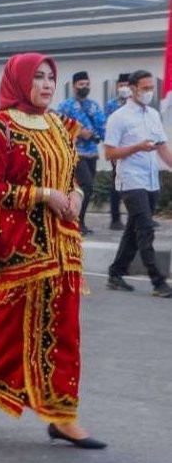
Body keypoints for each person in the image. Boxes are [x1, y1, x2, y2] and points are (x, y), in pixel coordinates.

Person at [0, 52, 107, 453]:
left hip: (63, 246)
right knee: (6, 331)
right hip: (20, 246)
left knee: (65, 331)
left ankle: (62, 416)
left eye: (50, 77)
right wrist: (43, 195)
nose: (45, 84)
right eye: (38, 77)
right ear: (19, 81)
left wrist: (76, 194)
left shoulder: (60, 125)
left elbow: (72, 172)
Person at [105, 69, 172, 298]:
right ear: (132, 88)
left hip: (151, 179)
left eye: (151, 88)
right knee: (145, 229)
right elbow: (109, 153)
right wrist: (137, 147)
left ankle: (115, 273)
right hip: (131, 180)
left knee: (133, 231)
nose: (149, 92)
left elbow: (162, 147)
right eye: (145, 88)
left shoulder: (153, 114)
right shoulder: (119, 117)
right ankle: (158, 281)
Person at [57, 71, 106, 235]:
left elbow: (102, 128)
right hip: (74, 153)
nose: (84, 87)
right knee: (86, 184)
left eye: (87, 84)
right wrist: (78, 133)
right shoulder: (65, 106)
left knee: (88, 189)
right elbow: (57, 128)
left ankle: (80, 221)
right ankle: (74, 220)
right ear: (74, 86)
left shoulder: (94, 106)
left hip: (92, 152)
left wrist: (96, 135)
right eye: (81, 85)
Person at [104, 73, 131, 231]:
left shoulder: (135, 104)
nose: (124, 88)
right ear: (117, 87)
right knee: (116, 184)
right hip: (116, 150)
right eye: (121, 85)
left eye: (127, 85)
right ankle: (115, 219)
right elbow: (107, 128)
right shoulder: (111, 105)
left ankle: (141, 216)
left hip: (134, 149)